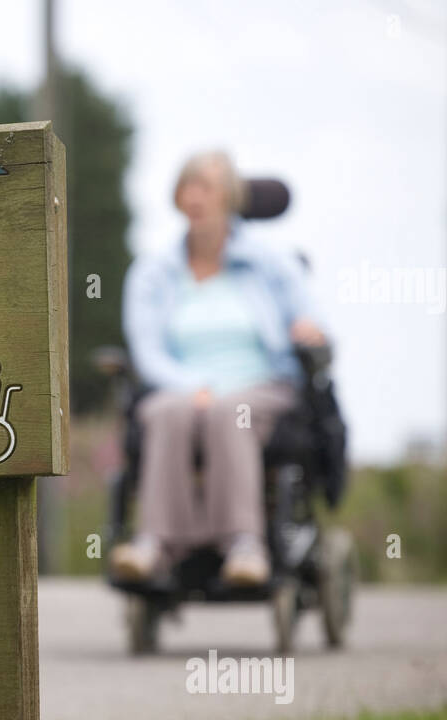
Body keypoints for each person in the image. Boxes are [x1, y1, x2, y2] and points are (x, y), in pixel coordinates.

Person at [110, 151, 327, 586]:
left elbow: (307, 321)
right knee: (164, 412)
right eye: (186, 186)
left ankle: (245, 545)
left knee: (231, 412)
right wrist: (192, 385)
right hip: (182, 386)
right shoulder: (152, 273)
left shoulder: (271, 264)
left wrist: (308, 331)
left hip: (262, 384)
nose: (194, 196)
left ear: (229, 198)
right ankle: (154, 544)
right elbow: (147, 350)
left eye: (205, 187)